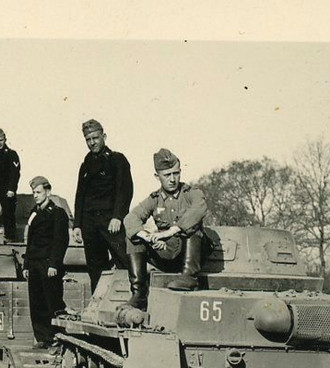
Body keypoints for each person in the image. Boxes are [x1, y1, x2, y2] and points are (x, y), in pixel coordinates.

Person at [122, 148, 209, 308]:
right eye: (167, 175)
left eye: (176, 173)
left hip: (189, 254)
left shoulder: (191, 193)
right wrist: (147, 236)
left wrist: (170, 231)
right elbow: (131, 218)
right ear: (157, 176)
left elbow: (199, 208)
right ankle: (139, 294)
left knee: (193, 226)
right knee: (133, 237)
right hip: (167, 254)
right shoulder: (154, 199)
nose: (172, 179)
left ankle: (189, 277)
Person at [72, 119, 133, 293]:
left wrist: (118, 216)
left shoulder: (116, 160)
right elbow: (80, 196)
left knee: (123, 261)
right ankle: (97, 305)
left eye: (95, 138)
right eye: (88, 139)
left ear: (103, 136)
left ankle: (129, 301)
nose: (92, 143)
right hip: (89, 223)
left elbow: (125, 190)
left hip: (110, 221)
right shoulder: (85, 165)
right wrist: (77, 225)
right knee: (95, 268)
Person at [23, 176, 70, 350]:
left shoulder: (57, 213)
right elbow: (30, 242)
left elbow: (60, 241)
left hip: (48, 264)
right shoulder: (34, 213)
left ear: (48, 192)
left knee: (53, 302)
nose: (35, 195)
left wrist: (54, 265)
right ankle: (42, 337)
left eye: (38, 192)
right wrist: (26, 265)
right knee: (37, 303)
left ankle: (55, 339)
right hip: (35, 264)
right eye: (33, 192)